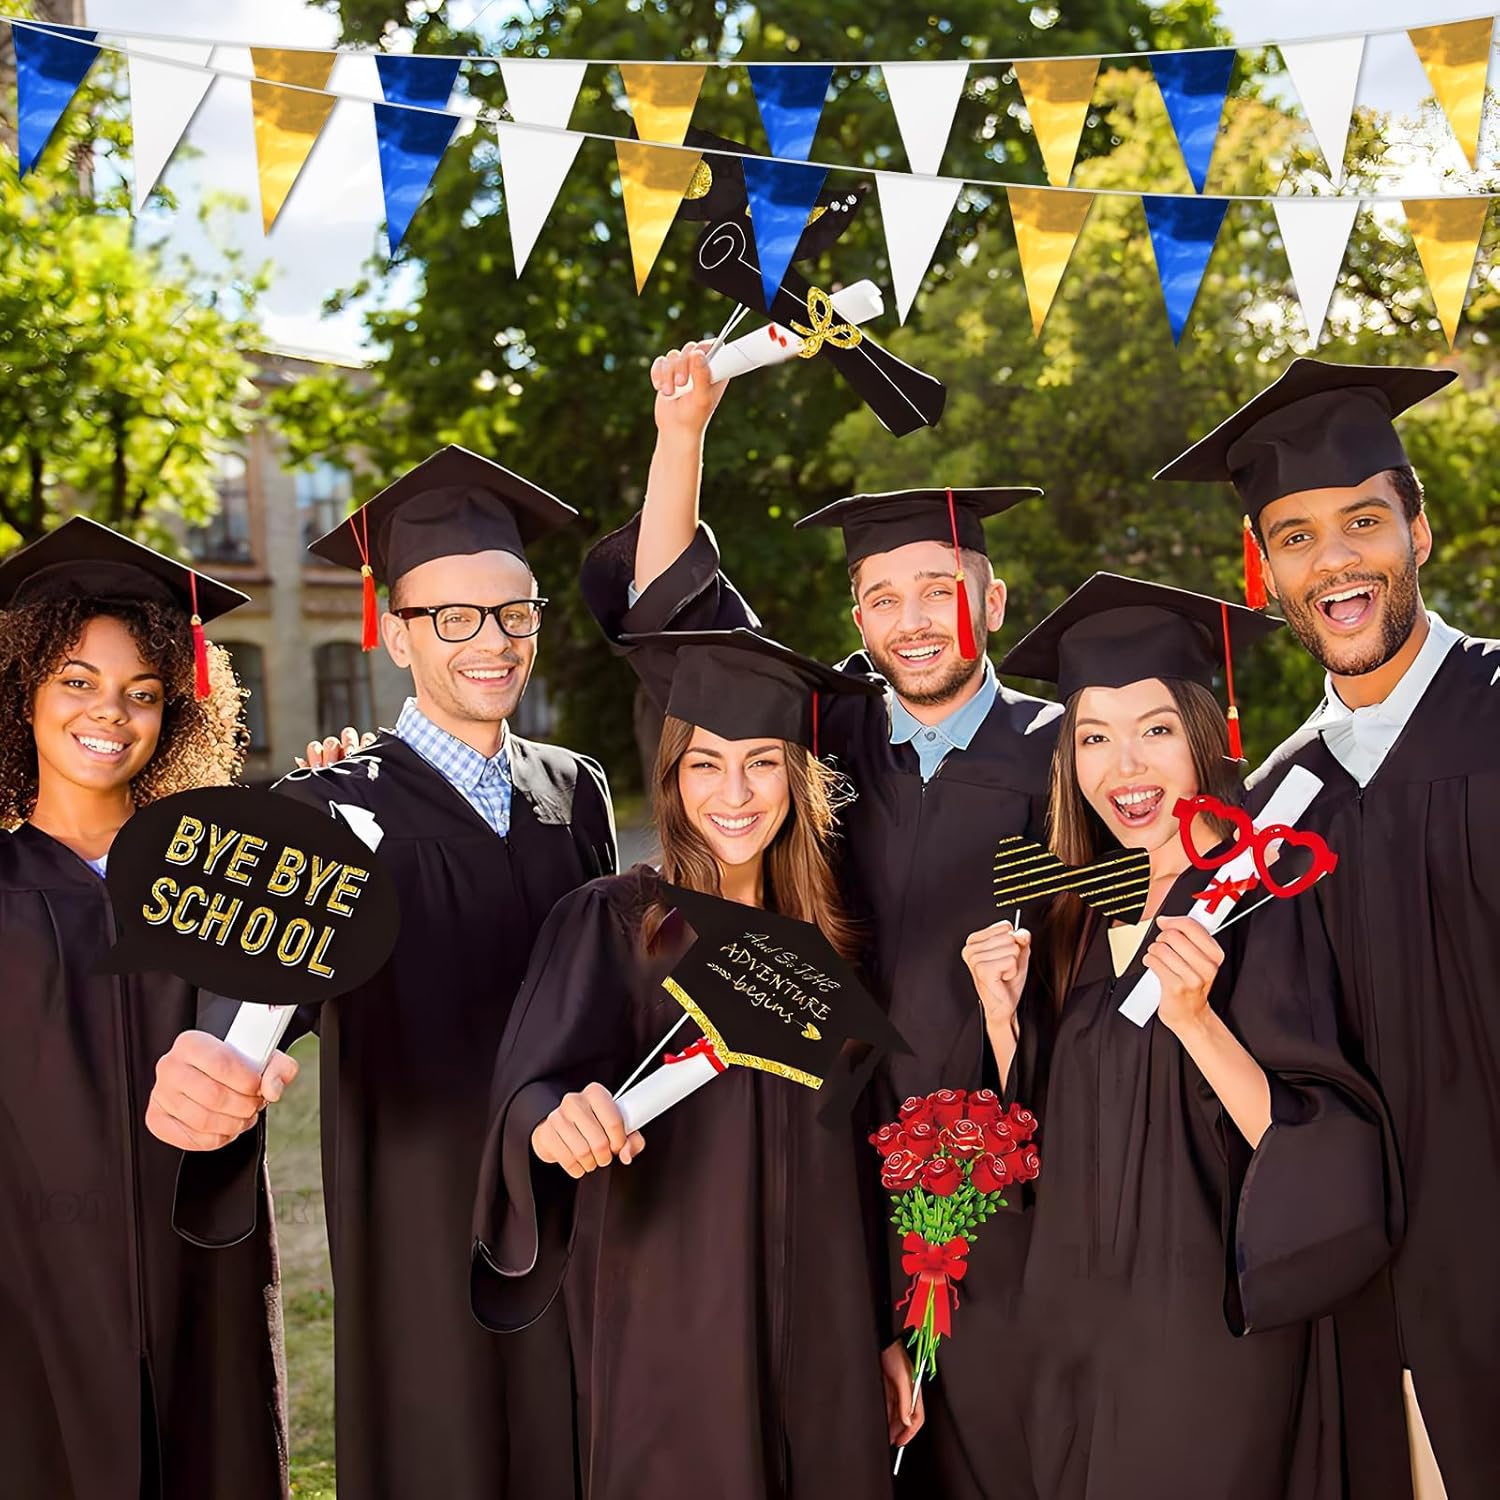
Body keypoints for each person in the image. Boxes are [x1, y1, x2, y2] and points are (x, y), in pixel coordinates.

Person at [579, 343, 1062, 1496]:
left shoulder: (1065, 759)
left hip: (1003, 1177)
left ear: (993, 601)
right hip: (830, 1171)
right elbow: (679, 621)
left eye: (940, 589)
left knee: (1005, 1456)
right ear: (856, 613)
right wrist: (683, 434)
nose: (913, 620)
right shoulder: (824, 733)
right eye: (882, 597)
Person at [149, 447, 617, 1500]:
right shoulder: (323, 811)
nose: (492, 641)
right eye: (453, 617)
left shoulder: (576, 790)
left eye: (514, 614)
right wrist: (216, 1063)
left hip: (578, 1198)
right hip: (422, 1213)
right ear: (396, 634)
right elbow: (249, 1004)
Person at [1159, 358, 1500, 1500]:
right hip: (1376, 1309)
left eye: (1363, 522)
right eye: (1296, 537)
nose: (1334, 561)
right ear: (1263, 571)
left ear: (1419, 532)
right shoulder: (1273, 811)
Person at [471, 627, 910, 1499]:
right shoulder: (616, 923)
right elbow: (531, 1090)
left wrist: (881, 1330)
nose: (734, 793)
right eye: (705, 764)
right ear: (672, 779)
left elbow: (857, 1162)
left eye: (761, 763)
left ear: (798, 776)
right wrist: (556, 1122)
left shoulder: (832, 951)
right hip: (672, 1325)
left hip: (823, 1325)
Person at [989, 573, 1401, 1500]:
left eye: (1156, 730)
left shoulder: (1264, 897)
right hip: (1072, 1337)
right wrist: (1003, 1022)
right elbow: (1045, 1148)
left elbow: (1326, 1147)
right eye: (1093, 737)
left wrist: (1198, 1021)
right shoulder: (1075, 914)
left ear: (1207, 736)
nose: (1123, 767)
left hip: (1201, 1339)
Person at [0, 517, 293, 1500]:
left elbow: (285, 1007)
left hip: (199, 1264)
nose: (111, 713)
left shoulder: (219, 876)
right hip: (31, 1274)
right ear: (25, 692)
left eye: (143, 692)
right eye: (76, 680)